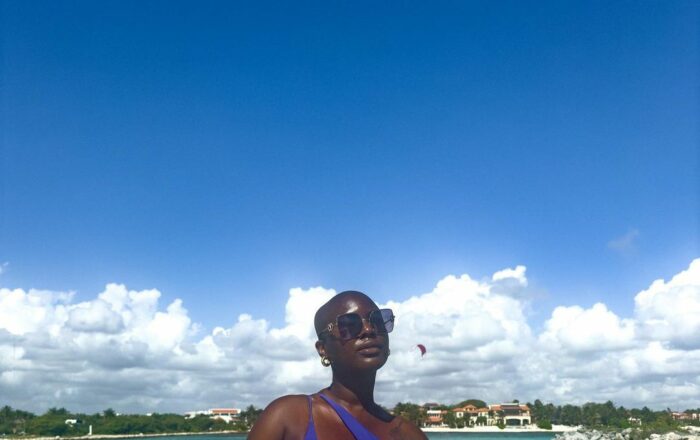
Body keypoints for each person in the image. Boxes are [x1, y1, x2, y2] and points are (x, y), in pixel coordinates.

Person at [248, 290, 427, 440]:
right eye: (349, 325)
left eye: (377, 321)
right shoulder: (288, 417)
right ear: (323, 349)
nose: (369, 330)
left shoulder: (409, 434)